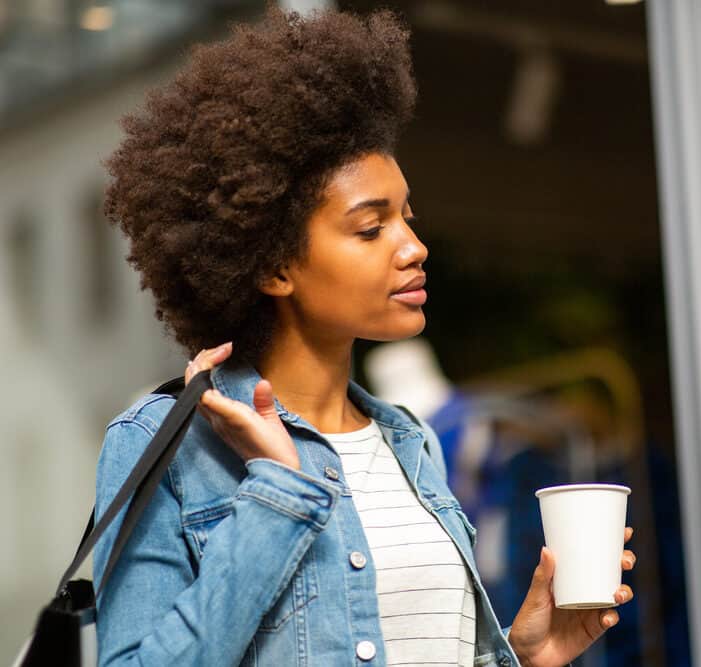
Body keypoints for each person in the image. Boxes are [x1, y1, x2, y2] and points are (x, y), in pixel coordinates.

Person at [92, 6, 636, 667]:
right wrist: (276, 491)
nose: (414, 247)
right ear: (274, 264)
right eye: (371, 227)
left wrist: (522, 656)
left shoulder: (413, 443)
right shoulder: (167, 446)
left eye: (407, 216)